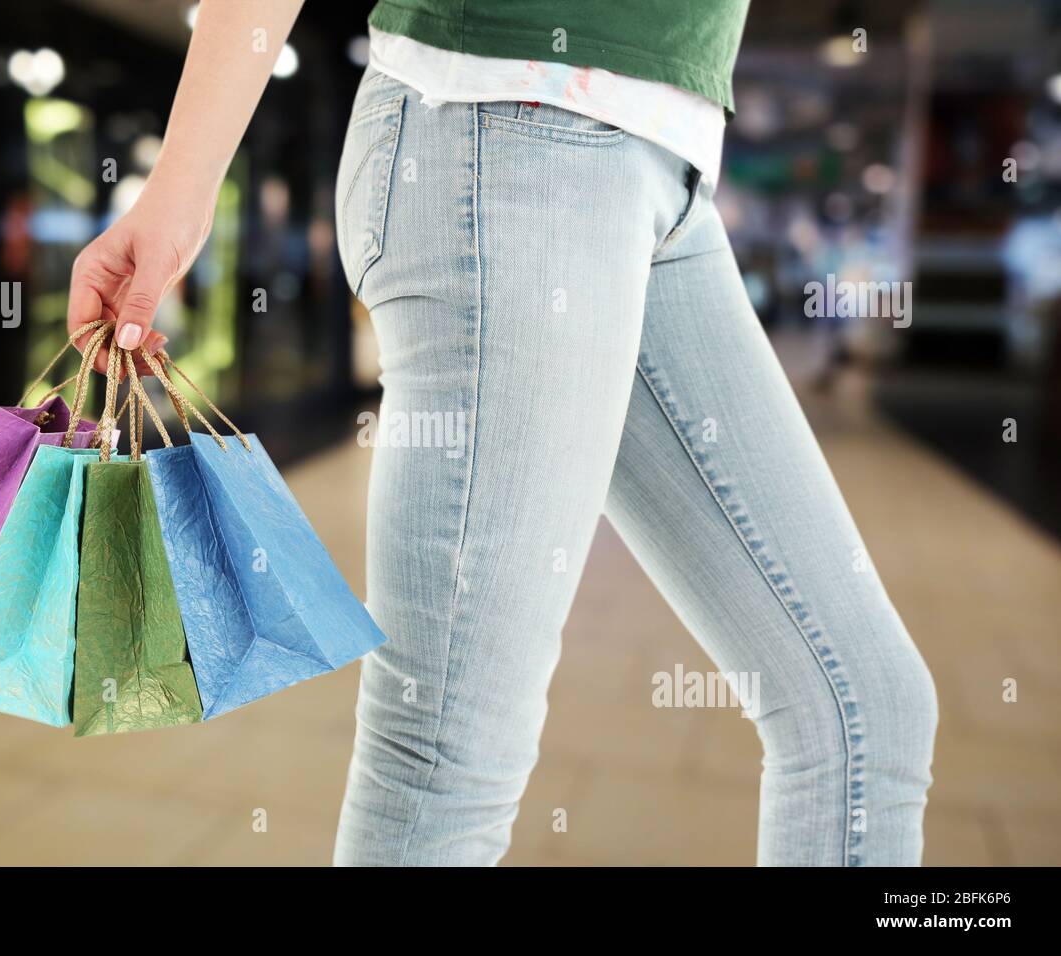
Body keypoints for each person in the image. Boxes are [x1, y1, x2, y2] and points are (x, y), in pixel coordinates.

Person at [66, 0, 938, 867]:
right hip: (504, 127)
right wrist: (177, 191)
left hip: (665, 173)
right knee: (447, 753)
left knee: (863, 704)